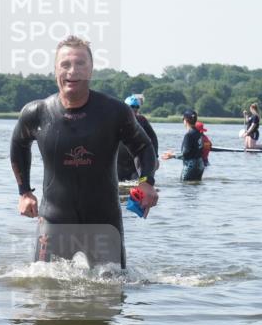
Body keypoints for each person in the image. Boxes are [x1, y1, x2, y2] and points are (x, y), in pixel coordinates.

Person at [10, 36, 158, 269]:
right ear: (55, 69)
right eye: (65, 64)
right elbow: (18, 146)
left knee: (113, 289)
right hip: (53, 220)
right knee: (43, 291)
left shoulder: (114, 112)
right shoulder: (36, 113)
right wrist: (24, 192)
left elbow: (143, 146)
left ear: (91, 70)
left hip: (104, 221)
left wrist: (146, 182)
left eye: (80, 64)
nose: (73, 71)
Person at [116, 94, 159, 181]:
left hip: (136, 160)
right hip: (119, 161)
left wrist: (156, 157)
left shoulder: (142, 120)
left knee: (137, 183)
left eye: (136, 107)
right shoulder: (116, 120)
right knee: (119, 187)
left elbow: (153, 138)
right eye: (132, 106)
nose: (134, 109)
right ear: (125, 107)